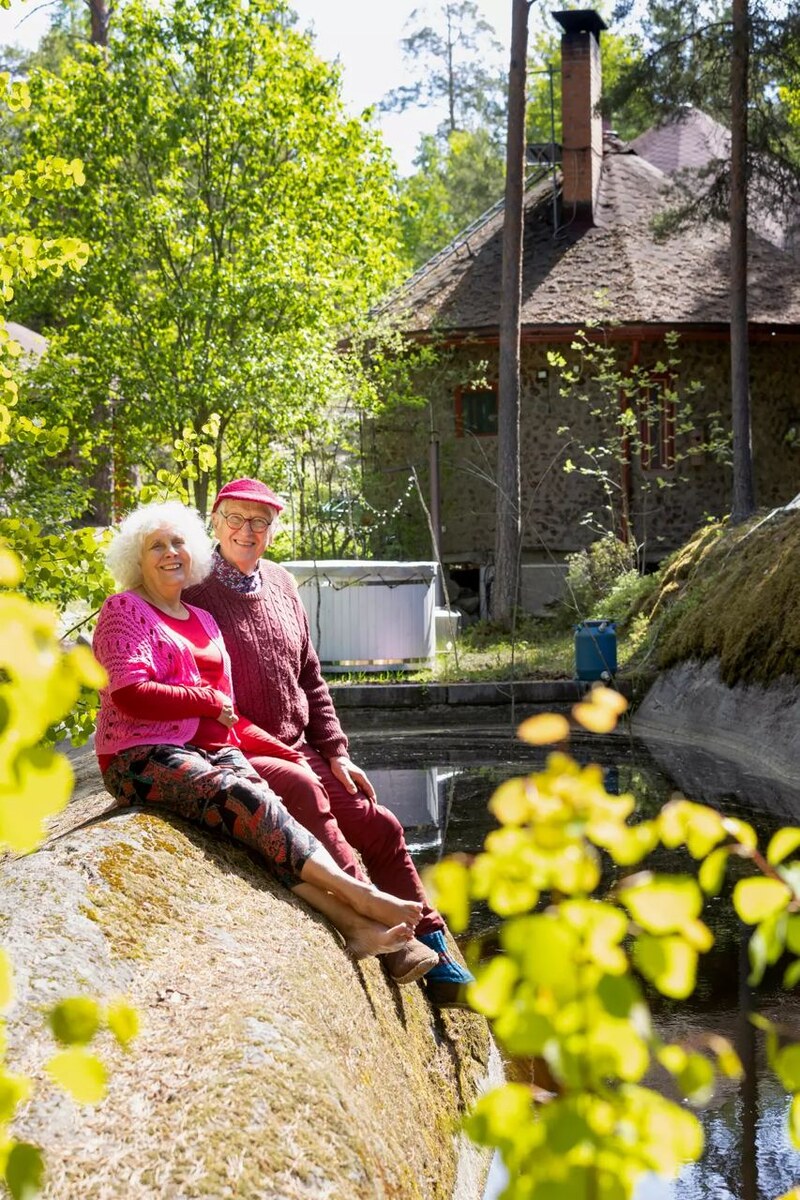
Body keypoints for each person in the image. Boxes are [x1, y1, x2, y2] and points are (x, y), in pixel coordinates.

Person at [92, 501, 440, 982]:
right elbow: (130, 692)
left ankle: (355, 925)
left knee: (272, 822)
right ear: (137, 558)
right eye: (156, 546)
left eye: (177, 544)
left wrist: (319, 753)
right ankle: (362, 899)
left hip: (213, 748)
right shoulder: (124, 610)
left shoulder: (203, 619)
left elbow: (246, 706)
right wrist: (205, 700)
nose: (170, 553)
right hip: (141, 752)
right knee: (251, 800)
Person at [184, 479, 474, 1007]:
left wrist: (337, 750)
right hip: (244, 748)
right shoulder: (194, 591)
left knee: (380, 823)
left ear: (272, 530)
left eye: (261, 522)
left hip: (301, 744)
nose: (248, 531)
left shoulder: (280, 583)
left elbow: (311, 678)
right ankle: (391, 940)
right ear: (216, 519)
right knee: (318, 813)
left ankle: (432, 937)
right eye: (236, 519)